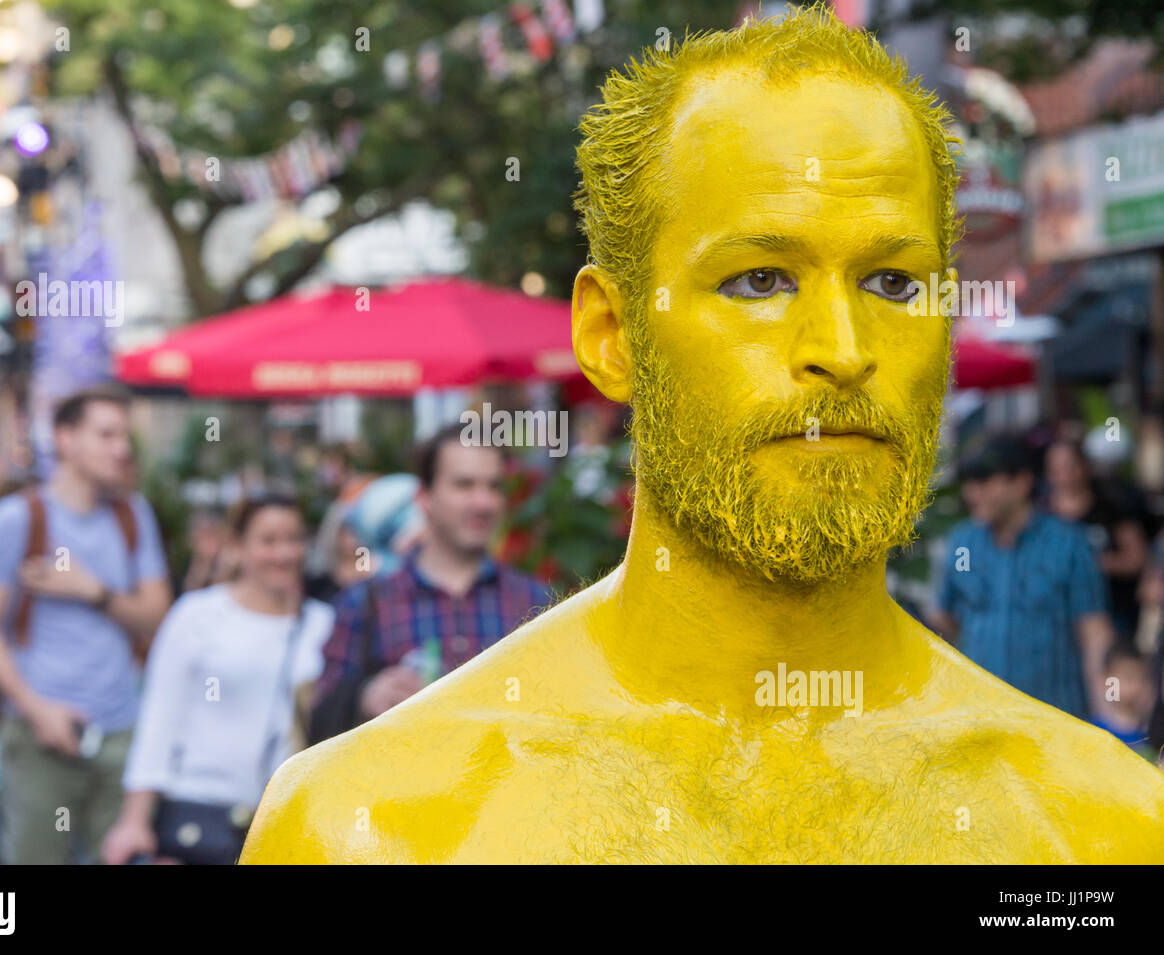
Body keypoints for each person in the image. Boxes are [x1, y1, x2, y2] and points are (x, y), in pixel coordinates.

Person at [242, 8, 1164, 863]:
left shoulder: (1098, 827)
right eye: (759, 281)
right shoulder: (378, 826)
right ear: (612, 336)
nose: (842, 353)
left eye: (893, 284)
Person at [0, 384, 172, 864]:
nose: (121, 448)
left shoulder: (132, 515)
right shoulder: (16, 519)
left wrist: (91, 590)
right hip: (43, 736)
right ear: (64, 438)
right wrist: (37, 709)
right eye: (106, 434)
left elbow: (158, 614)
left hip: (121, 729)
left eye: (125, 435)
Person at [102, 496, 334, 865]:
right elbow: (160, 719)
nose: (284, 553)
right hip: (197, 814)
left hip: (280, 825)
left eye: (294, 539)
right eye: (269, 541)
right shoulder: (198, 615)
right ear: (239, 547)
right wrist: (135, 821)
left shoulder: (323, 625)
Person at [306, 423, 552, 744]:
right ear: (425, 498)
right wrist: (364, 697)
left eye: (493, 487)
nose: (483, 502)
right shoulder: (367, 604)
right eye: (464, 485)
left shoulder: (535, 603)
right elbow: (319, 723)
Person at [934, 437, 1115, 721]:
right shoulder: (962, 544)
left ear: (1021, 483)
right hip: (982, 722)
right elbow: (945, 624)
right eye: (969, 483)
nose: (972, 493)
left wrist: (1108, 715)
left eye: (984, 481)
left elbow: (1094, 633)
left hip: (1056, 723)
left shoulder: (1069, 544)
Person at [1042, 438, 1150, 640]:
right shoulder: (1039, 513)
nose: (1064, 475)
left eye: (1070, 466)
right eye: (1056, 469)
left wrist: (1091, 565)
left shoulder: (1111, 507)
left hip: (1112, 611)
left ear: (1085, 466)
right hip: (1056, 617)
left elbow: (1137, 558)